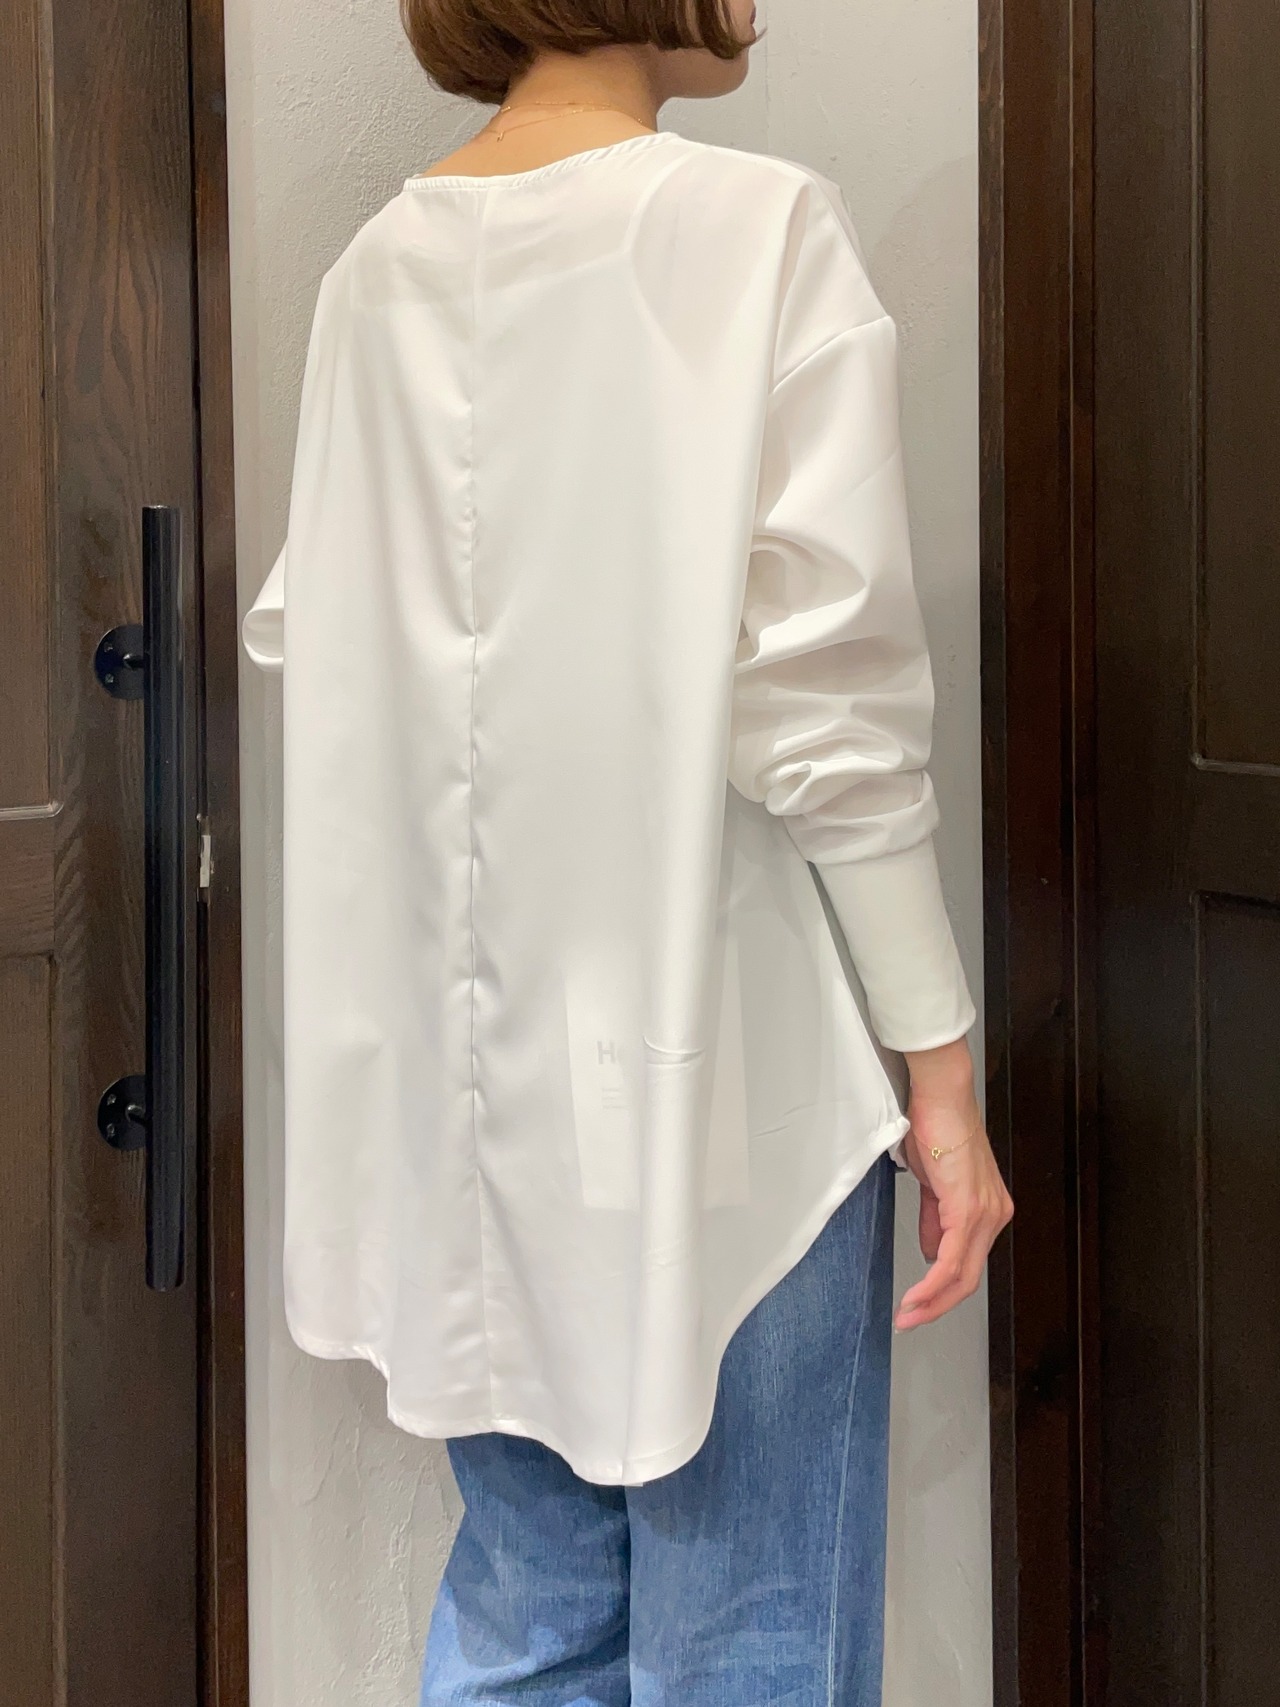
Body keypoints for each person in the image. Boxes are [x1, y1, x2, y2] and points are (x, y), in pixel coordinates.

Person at [241, 0, 1014, 1699]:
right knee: (755, 1637)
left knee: (531, 1624)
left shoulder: (375, 276)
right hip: (720, 1082)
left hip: (468, 1120)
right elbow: (830, 717)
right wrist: (942, 1081)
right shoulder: (759, 233)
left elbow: (341, 664)